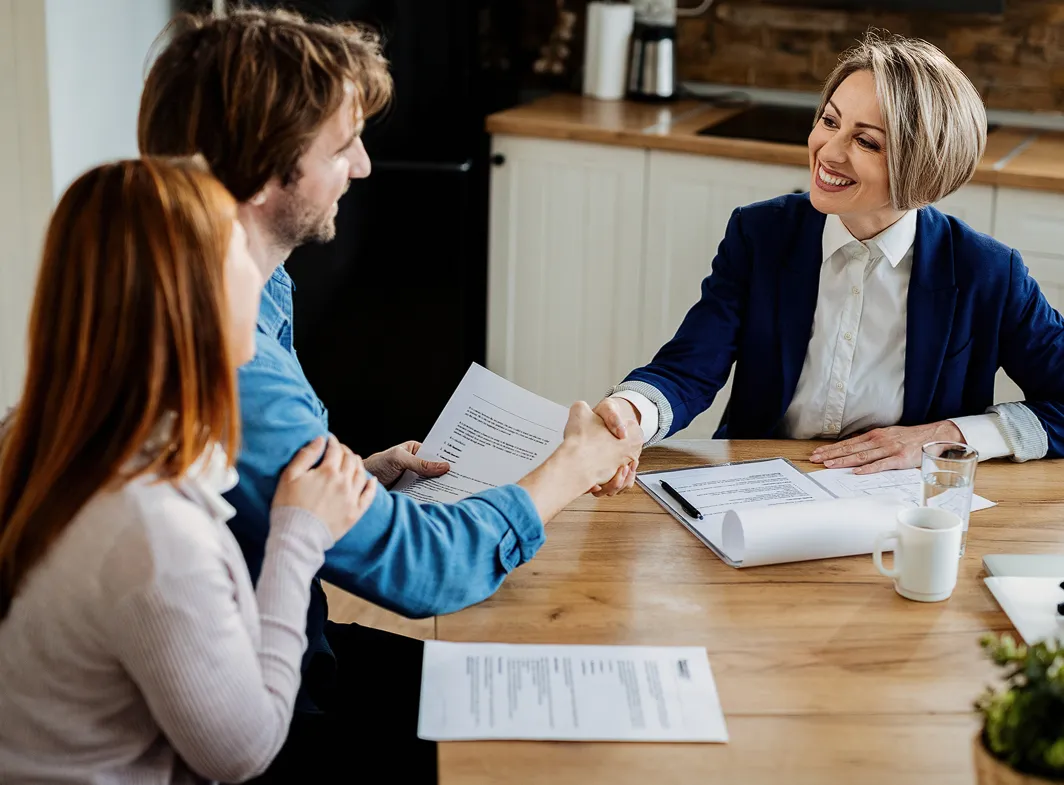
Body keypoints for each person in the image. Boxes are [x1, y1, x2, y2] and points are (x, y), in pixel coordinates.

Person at [137, 9, 640, 781]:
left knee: (541, 687)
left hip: (285, 639)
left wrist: (354, 483)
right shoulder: (234, 361)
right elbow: (423, 572)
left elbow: (247, 490)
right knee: (565, 745)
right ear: (269, 172)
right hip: (263, 706)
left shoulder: (253, 290)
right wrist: (570, 465)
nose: (365, 166)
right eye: (343, 146)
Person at [0, 157, 380, 783]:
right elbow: (242, 751)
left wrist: (350, 480)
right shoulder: (146, 529)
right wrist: (297, 535)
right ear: (188, 301)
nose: (258, 274)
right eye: (238, 255)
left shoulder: (46, 435)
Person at [592, 31, 1064, 497]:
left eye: (868, 142)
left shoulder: (988, 272)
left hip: (905, 505)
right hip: (753, 488)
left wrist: (949, 437)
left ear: (924, 165)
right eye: (830, 121)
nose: (829, 153)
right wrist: (631, 414)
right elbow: (689, 369)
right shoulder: (761, 234)